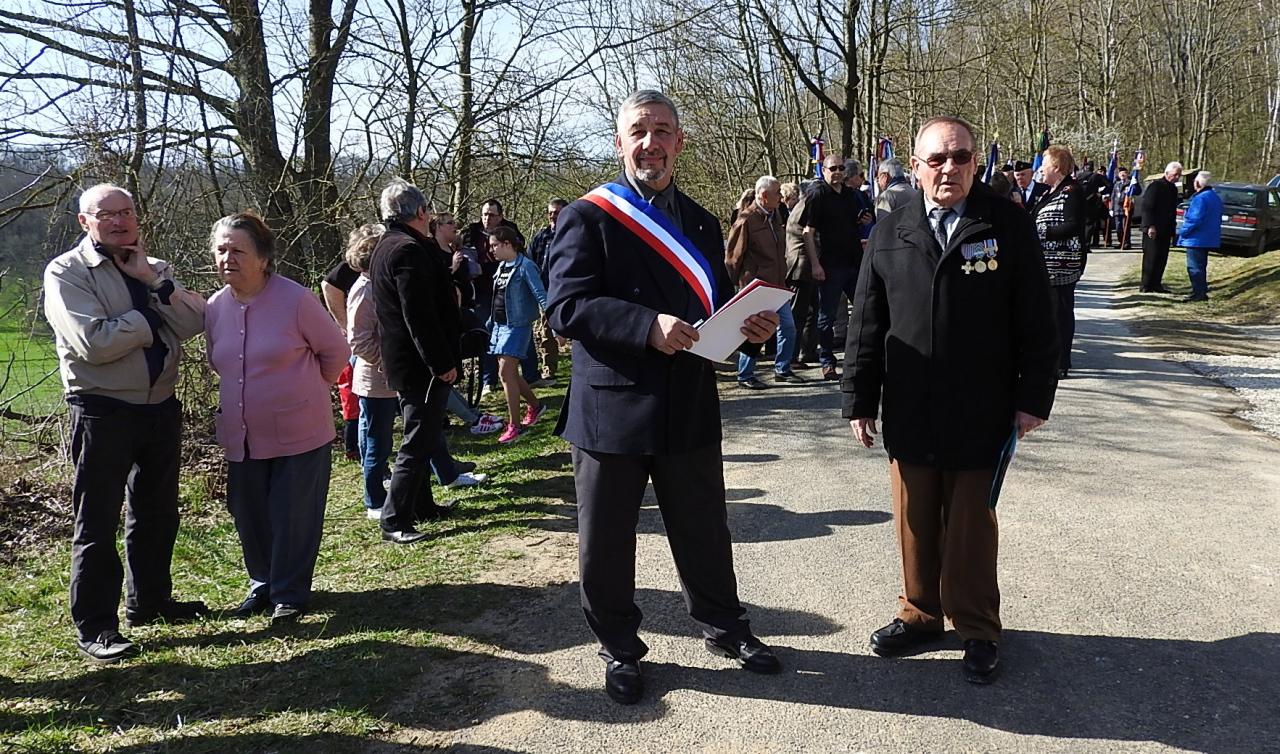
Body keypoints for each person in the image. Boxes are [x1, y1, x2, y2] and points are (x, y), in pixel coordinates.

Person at [547, 89, 782, 705]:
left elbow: (712, 312)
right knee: (607, 540)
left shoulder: (703, 222)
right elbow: (565, 308)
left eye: (662, 131)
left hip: (687, 399)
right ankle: (619, 647)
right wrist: (645, 325)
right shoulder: (588, 216)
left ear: (679, 142)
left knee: (705, 527)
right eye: (638, 131)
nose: (650, 143)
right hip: (612, 407)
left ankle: (726, 627)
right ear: (620, 142)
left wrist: (751, 329)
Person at [842, 116, 1059, 684]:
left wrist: (1034, 395)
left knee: (969, 524)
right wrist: (859, 398)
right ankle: (919, 614)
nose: (949, 168)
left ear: (975, 163)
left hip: (980, 406)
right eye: (936, 159)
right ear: (915, 167)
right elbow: (867, 321)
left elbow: (1039, 318)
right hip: (910, 404)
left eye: (960, 157)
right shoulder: (891, 229)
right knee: (914, 518)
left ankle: (978, 627)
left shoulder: (1005, 223)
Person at [43, 183, 209, 663]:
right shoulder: (67, 272)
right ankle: (96, 626)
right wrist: (148, 316)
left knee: (156, 511)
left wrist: (154, 284)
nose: (119, 222)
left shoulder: (153, 268)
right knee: (96, 521)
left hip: (160, 404)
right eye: (106, 214)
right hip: (102, 409)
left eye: (127, 212)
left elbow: (195, 323)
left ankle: (150, 602)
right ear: (85, 222)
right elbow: (93, 343)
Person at [205, 211, 350, 624]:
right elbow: (223, 363)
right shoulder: (215, 307)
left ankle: (289, 592)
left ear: (264, 257)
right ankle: (262, 584)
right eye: (221, 250)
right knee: (249, 514)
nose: (227, 258)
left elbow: (335, 353)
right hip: (242, 434)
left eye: (237, 250)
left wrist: (304, 390)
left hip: (299, 430)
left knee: (293, 515)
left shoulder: (296, 299)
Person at [346, 224, 488, 522]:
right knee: (381, 443)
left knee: (424, 434)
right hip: (377, 379)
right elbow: (360, 340)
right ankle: (380, 505)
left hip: (402, 374)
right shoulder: (363, 290)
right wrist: (386, 361)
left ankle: (424, 502)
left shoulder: (382, 281)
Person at [369, 179, 463, 544]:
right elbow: (418, 315)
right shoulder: (407, 250)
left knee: (424, 434)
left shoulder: (385, 246)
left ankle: (421, 505)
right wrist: (440, 362)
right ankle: (394, 520)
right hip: (420, 364)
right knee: (417, 438)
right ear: (421, 212)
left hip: (404, 360)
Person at [726, 175, 801, 387]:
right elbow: (733, 257)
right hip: (756, 287)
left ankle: (782, 369)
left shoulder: (775, 215)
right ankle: (745, 375)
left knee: (788, 327)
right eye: (778, 193)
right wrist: (736, 285)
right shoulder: (746, 219)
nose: (782, 197)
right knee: (753, 330)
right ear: (764, 195)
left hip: (777, 285)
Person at [798, 153, 864, 381]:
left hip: (854, 263)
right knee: (826, 317)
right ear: (824, 171)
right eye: (832, 168)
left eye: (840, 168)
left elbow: (853, 222)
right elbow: (808, 231)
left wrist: (863, 219)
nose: (837, 172)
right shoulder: (818, 195)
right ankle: (827, 361)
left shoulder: (850, 195)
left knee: (865, 310)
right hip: (830, 265)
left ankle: (864, 357)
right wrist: (815, 263)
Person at [487, 225, 553, 444]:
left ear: (507, 244)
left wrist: (554, 322)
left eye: (495, 245)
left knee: (505, 373)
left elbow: (540, 294)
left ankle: (515, 426)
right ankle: (536, 405)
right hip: (499, 326)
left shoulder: (526, 266)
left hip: (518, 326)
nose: (492, 250)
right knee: (511, 374)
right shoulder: (501, 267)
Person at [1035, 145, 1088, 379]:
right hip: (1046, 266)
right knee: (1049, 314)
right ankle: (1050, 357)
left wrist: (1040, 230)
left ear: (1056, 167)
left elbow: (1073, 226)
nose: (1040, 169)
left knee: (1061, 314)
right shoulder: (1050, 191)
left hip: (1062, 267)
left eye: (1044, 163)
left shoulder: (1072, 190)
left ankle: (1061, 361)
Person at [463, 198, 524, 392]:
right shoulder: (472, 233)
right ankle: (489, 380)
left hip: (506, 290)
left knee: (515, 329)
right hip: (481, 291)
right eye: (484, 214)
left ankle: (530, 375)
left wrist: (486, 267)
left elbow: (516, 257)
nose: (486, 219)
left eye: (491, 215)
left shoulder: (510, 232)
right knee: (486, 333)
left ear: (500, 216)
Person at [320, 260, 361, 459]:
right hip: (349, 344)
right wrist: (344, 324)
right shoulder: (348, 269)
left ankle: (355, 445)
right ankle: (352, 447)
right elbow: (327, 284)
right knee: (351, 397)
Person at [527, 198, 570, 385]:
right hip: (546, 290)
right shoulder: (540, 236)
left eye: (557, 212)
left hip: (567, 289)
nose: (553, 216)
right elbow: (530, 260)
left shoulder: (572, 234)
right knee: (545, 331)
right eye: (550, 212)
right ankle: (548, 368)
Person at [1177, 171, 1223, 302]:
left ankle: (1199, 294)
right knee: (1201, 266)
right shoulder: (1215, 197)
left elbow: (1194, 219)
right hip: (1209, 237)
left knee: (1194, 267)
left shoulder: (1200, 198)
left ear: (1197, 183)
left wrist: (1182, 232)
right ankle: (1199, 291)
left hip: (1196, 239)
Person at [1139, 161, 1183, 293]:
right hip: (1153, 228)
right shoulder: (1156, 186)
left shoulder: (1173, 189)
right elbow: (1147, 207)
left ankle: (1156, 283)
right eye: (1175, 175)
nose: (1177, 177)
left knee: (1162, 257)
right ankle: (1146, 285)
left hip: (1166, 228)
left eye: (1179, 175)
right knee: (1151, 257)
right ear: (1167, 173)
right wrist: (1150, 226)